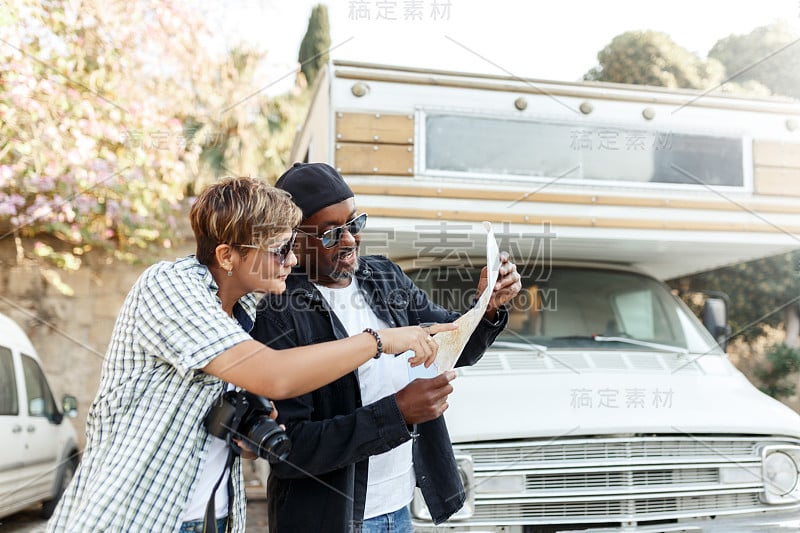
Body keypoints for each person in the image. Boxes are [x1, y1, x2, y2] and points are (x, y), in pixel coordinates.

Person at [47, 177, 453, 533]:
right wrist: (379, 341)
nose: (292, 261)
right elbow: (272, 375)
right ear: (226, 256)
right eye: (280, 250)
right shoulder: (168, 287)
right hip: (134, 516)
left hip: (214, 516)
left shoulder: (245, 311)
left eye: (293, 247)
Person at [251, 163, 522, 532]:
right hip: (331, 519)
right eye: (331, 234)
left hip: (398, 508)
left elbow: (450, 342)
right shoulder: (279, 311)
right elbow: (289, 448)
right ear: (294, 241)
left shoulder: (380, 275)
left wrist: (487, 306)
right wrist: (398, 414)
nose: (349, 241)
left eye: (354, 224)